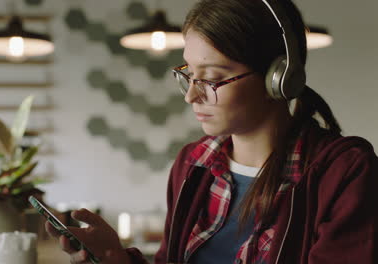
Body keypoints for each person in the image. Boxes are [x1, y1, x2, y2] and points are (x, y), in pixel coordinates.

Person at [45, 0, 378, 263]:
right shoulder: (193, 163)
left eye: (213, 78)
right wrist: (117, 259)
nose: (192, 95)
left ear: (279, 77)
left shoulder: (344, 172)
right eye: (189, 75)